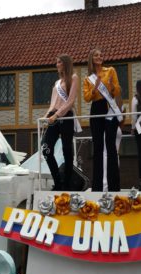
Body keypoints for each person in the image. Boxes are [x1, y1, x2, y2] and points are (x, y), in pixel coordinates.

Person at [83, 48, 121, 191]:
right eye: (96, 55)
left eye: (101, 55)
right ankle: (97, 187)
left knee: (111, 147)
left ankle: (114, 186)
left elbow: (117, 91)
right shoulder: (88, 78)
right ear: (91, 59)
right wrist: (95, 88)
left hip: (109, 107)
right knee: (98, 148)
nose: (99, 57)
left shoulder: (110, 71)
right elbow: (86, 98)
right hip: (96, 108)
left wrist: (111, 86)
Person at [42, 54, 79, 191]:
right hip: (53, 116)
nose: (56, 65)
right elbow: (53, 103)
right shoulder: (57, 83)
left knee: (67, 150)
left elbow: (70, 101)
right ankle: (58, 181)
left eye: (58, 62)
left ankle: (66, 184)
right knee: (46, 149)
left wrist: (56, 115)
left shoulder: (73, 78)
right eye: (56, 62)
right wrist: (46, 116)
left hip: (65, 117)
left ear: (65, 64)